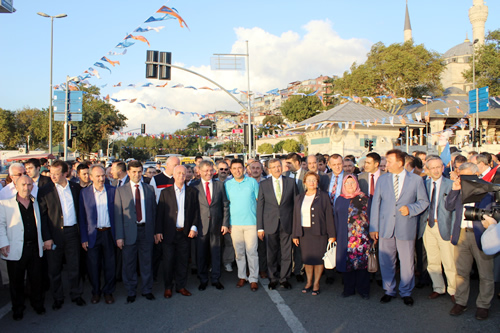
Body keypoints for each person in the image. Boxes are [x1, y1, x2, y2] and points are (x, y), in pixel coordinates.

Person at [369, 149, 429, 306]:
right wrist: (373, 227)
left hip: (406, 226)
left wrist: (410, 209)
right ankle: (389, 290)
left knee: (407, 262)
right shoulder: (382, 180)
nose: (386, 164)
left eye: (389, 161)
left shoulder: (416, 180)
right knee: (386, 261)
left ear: (400, 163)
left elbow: (423, 202)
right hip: (385, 227)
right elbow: (376, 204)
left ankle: (406, 291)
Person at [445, 162, 495, 320]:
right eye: (461, 175)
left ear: (475, 174)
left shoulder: (487, 188)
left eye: (466, 176)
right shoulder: (458, 188)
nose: (462, 178)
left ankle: (483, 305)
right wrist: (455, 191)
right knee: (461, 272)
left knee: (485, 273)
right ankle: (461, 302)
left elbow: (493, 208)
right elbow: (449, 206)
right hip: (460, 234)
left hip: (481, 234)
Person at [38, 160, 85, 310]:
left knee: (74, 266)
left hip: (72, 233)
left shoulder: (75, 188)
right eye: (51, 174)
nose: (53, 177)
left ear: (66, 173)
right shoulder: (45, 191)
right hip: (54, 234)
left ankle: (76, 294)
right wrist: (47, 238)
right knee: (54, 268)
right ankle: (58, 297)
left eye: (57, 174)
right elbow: (43, 217)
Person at [0, 175, 45, 320]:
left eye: (30, 184)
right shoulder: (5, 204)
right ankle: (17, 308)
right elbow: (0, 225)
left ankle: (37, 304)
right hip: (15, 248)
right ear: (17, 187)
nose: (27, 187)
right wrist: (3, 243)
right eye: (24, 185)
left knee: (36, 279)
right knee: (16, 281)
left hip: (34, 248)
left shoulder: (36, 203)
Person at [114, 160, 156, 303]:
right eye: (133, 172)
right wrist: (119, 236)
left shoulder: (149, 189)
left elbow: (153, 213)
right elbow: (118, 215)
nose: (137, 175)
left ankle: (147, 289)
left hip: (146, 231)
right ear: (128, 173)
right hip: (128, 233)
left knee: (146, 262)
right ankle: (131, 291)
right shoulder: (120, 191)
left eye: (139, 172)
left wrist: (155, 232)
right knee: (129, 263)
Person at [155, 165, 200, 298]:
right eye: (178, 173)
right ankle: (168, 287)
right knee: (168, 261)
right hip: (169, 233)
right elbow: (160, 214)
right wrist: (158, 231)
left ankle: (181, 286)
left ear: (187, 175)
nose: (181, 175)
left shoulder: (192, 192)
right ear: (173, 175)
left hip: (184, 233)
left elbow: (196, 212)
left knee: (183, 261)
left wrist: (194, 227)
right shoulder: (165, 193)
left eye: (184, 173)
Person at [418, 157, 456, 302]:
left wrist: (453, 231)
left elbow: (455, 211)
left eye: (438, 167)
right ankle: (438, 287)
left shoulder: (451, 184)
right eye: (432, 168)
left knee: (449, 261)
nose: (435, 170)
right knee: (433, 260)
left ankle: (453, 290)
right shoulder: (424, 184)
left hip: (444, 226)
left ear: (443, 167)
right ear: (427, 169)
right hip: (428, 226)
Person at [292, 171, 335, 296]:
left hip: (320, 232)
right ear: (304, 183)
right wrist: (295, 234)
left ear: (317, 183)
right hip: (304, 233)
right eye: (309, 180)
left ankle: (316, 283)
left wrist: (332, 235)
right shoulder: (299, 197)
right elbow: (295, 216)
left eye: (314, 180)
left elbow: (328, 216)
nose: (312, 183)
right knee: (307, 259)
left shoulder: (324, 196)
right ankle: (308, 281)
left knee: (318, 260)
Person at [257, 159, 298, 290]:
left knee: (286, 253)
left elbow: (296, 206)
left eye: (278, 166)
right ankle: (273, 278)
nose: (276, 169)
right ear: (269, 169)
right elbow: (260, 207)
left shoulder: (291, 183)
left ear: (282, 167)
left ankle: (284, 279)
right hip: (270, 223)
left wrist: (296, 226)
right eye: (273, 167)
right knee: (271, 253)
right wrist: (260, 227)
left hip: (287, 223)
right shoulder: (263, 184)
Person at [79, 165, 117, 305]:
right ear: (91, 177)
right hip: (92, 235)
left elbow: (118, 215)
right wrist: (84, 238)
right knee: (93, 266)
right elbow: (82, 218)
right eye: (98, 176)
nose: (101, 179)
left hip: (109, 234)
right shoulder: (84, 193)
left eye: (103, 176)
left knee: (110, 265)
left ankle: (108, 292)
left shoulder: (113, 191)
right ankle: (96, 291)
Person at [193, 161, 229, 291]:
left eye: (210, 170)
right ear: (200, 171)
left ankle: (215, 279)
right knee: (201, 254)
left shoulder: (219, 185)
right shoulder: (194, 186)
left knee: (216, 253)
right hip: (200, 226)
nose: (208, 173)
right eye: (206, 170)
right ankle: (203, 279)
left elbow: (225, 205)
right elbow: (192, 208)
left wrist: (225, 224)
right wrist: (193, 226)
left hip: (216, 225)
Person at [225, 159, 260, 291]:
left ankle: (253, 278)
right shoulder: (228, 185)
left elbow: (258, 201)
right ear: (231, 170)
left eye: (239, 168)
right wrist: (227, 223)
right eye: (234, 168)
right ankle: (242, 276)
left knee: (252, 252)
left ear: (244, 169)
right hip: (235, 224)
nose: (237, 170)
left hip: (251, 222)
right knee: (239, 253)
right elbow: (226, 205)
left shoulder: (252, 182)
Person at [334, 175, 371, 299]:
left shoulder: (365, 198)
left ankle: (363, 289)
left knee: (362, 265)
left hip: (362, 237)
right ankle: (349, 289)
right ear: (343, 185)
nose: (350, 185)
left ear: (356, 183)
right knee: (346, 264)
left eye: (352, 182)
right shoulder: (340, 199)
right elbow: (336, 217)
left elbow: (371, 217)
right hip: (344, 236)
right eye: (347, 183)